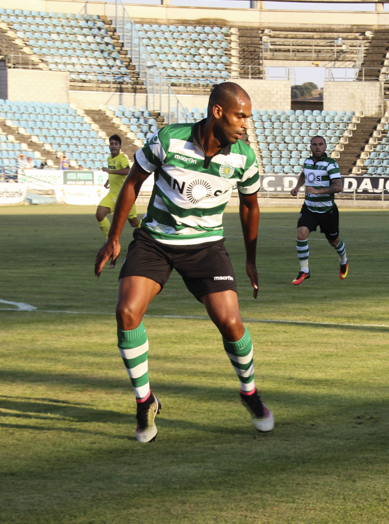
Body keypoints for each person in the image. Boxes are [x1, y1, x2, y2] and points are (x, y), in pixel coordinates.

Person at [94, 82, 273, 443]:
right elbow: (133, 182)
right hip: (155, 241)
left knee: (231, 321)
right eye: (241, 116)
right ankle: (145, 401)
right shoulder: (169, 140)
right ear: (218, 112)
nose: (246, 124)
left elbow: (250, 206)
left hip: (206, 247)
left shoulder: (244, 158)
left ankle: (249, 392)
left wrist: (251, 261)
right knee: (127, 312)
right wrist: (114, 237)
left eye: (249, 117)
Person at [289, 135, 348, 285]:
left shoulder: (331, 164)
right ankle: (305, 271)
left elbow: (338, 187)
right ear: (310, 147)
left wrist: (318, 190)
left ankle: (343, 260)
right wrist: (297, 186)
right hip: (309, 207)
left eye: (320, 144)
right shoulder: (307, 162)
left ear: (325, 147)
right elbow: (304, 174)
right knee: (301, 234)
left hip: (327, 210)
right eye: (314, 144)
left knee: (334, 241)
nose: (317, 147)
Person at [96, 134, 140, 237]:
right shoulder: (109, 159)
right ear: (109, 146)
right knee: (99, 214)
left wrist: (110, 171)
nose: (113, 146)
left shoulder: (122, 159)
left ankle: (151, 233)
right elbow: (116, 174)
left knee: (134, 222)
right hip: (112, 195)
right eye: (111, 144)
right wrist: (108, 180)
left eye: (116, 144)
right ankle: (110, 240)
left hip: (124, 195)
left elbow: (127, 171)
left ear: (120, 146)